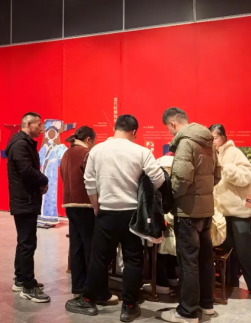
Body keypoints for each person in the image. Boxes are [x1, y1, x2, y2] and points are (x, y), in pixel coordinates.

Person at [66, 115, 165, 322]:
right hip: (132, 214)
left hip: (106, 212)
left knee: (99, 259)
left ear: (115, 128)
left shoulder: (97, 150)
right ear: (134, 132)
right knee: (133, 260)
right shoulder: (141, 151)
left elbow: (89, 182)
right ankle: (129, 306)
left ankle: (87, 300)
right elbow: (158, 178)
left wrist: (96, 206)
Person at [158, 108, 219, 323]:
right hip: (206, 209)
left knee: (188, 261)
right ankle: (206, 304)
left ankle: (187, 312)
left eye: (168, 128)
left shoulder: (185, 142)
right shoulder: (208, 141)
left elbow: (181, 179)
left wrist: (172, 198)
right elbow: (217, 175)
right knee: (205, 259)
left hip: (188, 211)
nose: (169, 132)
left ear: (173, 124)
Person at [209, 124, 251, 302]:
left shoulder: (234, 152)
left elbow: (247, 176)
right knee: (225, 248)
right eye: (210, 138)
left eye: (215, 138)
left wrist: (226, 168)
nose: (213, 141)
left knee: (245, 250)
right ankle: (230, 280)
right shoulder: (210, 154)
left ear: (223, 138)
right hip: (219, 211)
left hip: (239, 210)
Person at [61, 126, 118, 305]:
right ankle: (98, 292)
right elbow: (94, 179)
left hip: (69, 205)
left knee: (76, 247)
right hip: (87, 205)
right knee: (93, 249)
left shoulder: (66, 153)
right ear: (88, 140)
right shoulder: (87, 154)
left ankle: (79, 287)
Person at [6, 112, 50, 303]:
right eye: (39, 124)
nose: (42, 128)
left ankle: (21, 279)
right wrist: (44, 179)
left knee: (24, 241)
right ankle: (28, 287)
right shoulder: (21, 145)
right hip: (25, 200)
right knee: (28, 243)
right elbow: (26, 171)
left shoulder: (23, 143)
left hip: (26, 199)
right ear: (28, 124)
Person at [155, 152, 179, 294]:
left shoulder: (163, 185)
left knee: (162, 253)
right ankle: (171, 277)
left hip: (166, 227)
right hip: (175, 227)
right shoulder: (178, 184)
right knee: (169, 254)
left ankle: (162, 283)